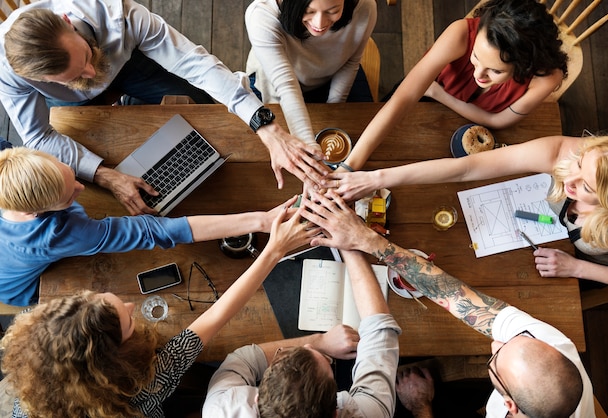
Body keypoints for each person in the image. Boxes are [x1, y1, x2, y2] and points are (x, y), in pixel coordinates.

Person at [0, 0, 328, 215]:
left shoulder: (120, 13)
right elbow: (40, 137)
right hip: (67, 102)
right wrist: (106, 176)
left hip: (127, 62)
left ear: (67, 22)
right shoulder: (7, 69)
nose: (90, 76)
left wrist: (265, 125)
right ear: (38, 77)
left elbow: (193, 62)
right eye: (72, 75)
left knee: (195, 96)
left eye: (84, 58)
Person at [0, 201, 318, 418]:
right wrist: (273, 251)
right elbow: (217, 315)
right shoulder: (146, 383)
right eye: (127, 320)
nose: (129, 305)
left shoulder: (35, 372)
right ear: (117, 361)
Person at [299, 190, 595, 418]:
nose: (495, 343)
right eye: (515, 340)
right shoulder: (554, 346)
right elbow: (455, 295)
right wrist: (367, 240)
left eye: (496, 359)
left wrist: (421, 407)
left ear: (509, 407)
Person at [0, 147, 299, 306]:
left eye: (71, 175)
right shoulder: (59, 234)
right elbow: (157, 231)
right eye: (70, 194)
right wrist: (262, 220)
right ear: (39, 211)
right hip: (20, 287)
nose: (81, 185)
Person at [326, 133, 608, 288]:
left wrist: (578, 269)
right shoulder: (573, 155)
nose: (567, 180)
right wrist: (376, 178)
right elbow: (466, 168)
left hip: (596, 263)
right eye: (578, 164)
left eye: (586, 187)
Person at [341, 0, 568, 171]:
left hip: (451, 114)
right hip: (424, 98)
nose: (479, 74)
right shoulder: (460, 33)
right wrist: (350, 164)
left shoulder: (546, 78)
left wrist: (439, 93)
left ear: (526, 67)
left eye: (496, 71)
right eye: (476, 57)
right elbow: (404, 97)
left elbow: (498, 122)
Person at [202, 249, 400, 417]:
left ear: (257, 398)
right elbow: (380, 331)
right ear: (336, 412)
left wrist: (320, 342)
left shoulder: (221, 409)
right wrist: (349, 245)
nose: (307, 347)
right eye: (327, 361)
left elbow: (242, 360)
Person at [245, 0, 377, 144]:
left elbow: (351, 61)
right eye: (309, 11)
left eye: (332, 11)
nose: (319, 24)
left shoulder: (365, 6)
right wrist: (308, 146)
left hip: (333, 74)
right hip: (274, 83)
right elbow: (286, 86)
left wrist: (334, 108)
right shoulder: (261, 14)